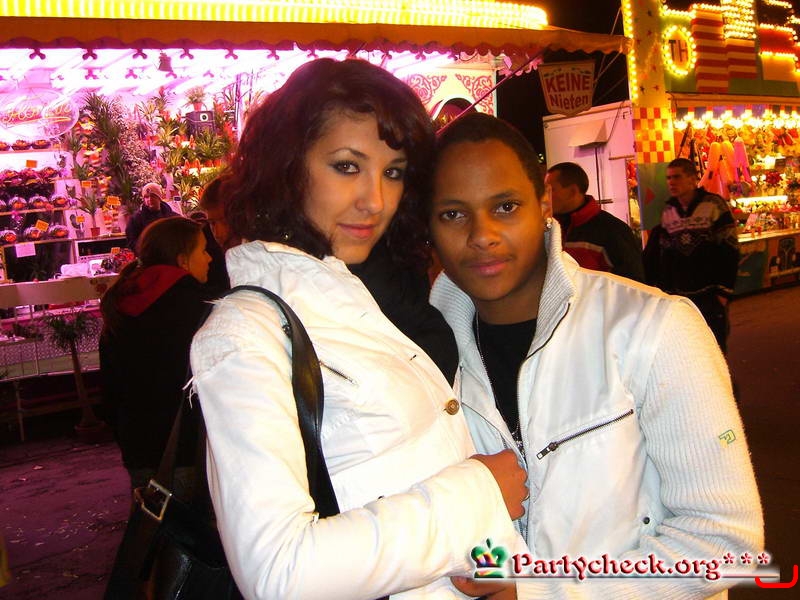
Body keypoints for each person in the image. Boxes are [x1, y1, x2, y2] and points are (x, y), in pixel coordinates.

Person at [189, 58, 527, 599]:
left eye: (393, 172)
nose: (375, 200)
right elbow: (278, 575)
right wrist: (481, 494)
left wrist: (497, 574)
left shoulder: (391, 290)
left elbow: (432, 458)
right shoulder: (247, 332)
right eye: (347, 166)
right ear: (287, 166)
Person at [427, 113, 763, 599]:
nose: (482, 234)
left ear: (544, 202)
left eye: (505, 206)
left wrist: (538, 592)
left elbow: (725, 540)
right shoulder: (420, 360)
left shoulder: (652, 328)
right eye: (453, 214)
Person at [100, 216, 212, 494]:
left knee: (152, 516)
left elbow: (109, 390)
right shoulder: (198, 307)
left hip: (138, 446)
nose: (209, 258)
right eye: (203, 250)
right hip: (188, 446)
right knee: (189, 518)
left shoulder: (121, 302)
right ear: (183, 260)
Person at [645, 157, 740, 352]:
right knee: (687, 347)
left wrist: (723, 292)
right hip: (680, 295)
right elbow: (666, 255)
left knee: (714, 347)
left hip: (709, 294)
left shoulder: (714, 205)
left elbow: (729, 249)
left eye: (677, 177)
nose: (671, 182)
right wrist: (666, 291)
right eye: (669, 178)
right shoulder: (669, 210)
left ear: (692, 179)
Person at [544, 162, 644, 281]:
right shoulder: (547, 228)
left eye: (551, 190)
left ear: (572, 192)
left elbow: (633, 284)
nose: (545, 197)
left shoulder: (612, 231)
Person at [125, 182, 177, 250]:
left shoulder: (172, 217)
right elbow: (132, 242)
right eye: (146, 197)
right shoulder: (135, 219)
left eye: (153, 196)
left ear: (159, 198)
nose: (149, 199)